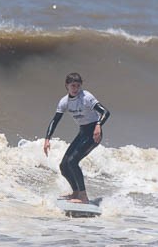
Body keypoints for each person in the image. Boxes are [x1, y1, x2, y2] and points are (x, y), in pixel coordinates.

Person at [43, 72, 110, 204]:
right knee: (64, 166)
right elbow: (55, 121)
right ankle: (76, 192)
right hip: (82, 133)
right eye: (73, 86)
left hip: (93, 134)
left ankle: (83, 197)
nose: (75, 89)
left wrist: (98, 125)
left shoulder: (86, 97)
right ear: (66, 86)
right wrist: (47, 139)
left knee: (73, 162)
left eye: (78, 86)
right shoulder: (64, 102)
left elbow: (105, 112)